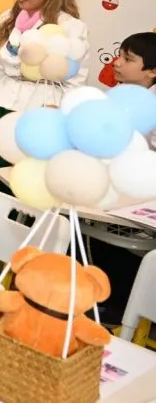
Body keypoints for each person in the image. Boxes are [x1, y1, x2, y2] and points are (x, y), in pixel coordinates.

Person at [0, 0, 87, 189]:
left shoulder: (70, 27)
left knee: (29, 185)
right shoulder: (8, 18)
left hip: (42, 114)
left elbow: (75, 82)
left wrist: (59, 118)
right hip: (5, 110)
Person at [92, 31, 156, 324]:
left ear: (151, 71)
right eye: (118, 55)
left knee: (120, 246)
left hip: (140, 196)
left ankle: (118, 305)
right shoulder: (117, 95)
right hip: (113, 186)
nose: (116, 63)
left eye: (127, 59)